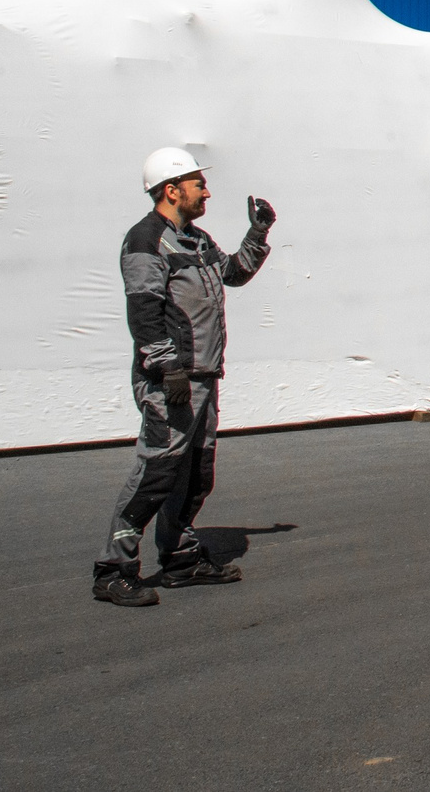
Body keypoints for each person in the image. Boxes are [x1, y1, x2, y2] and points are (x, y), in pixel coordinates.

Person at [90, 148, 277, 606]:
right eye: (199, 184)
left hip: (203, 378)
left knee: (194, 475)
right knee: (155, 473)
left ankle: (180, 559)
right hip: (171, 381)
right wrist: (167, 367)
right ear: (172, 189)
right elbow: (144, 312)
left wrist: (259, 231)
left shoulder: (195, 239)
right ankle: (113, 568)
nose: (206, 191)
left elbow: (233, 273)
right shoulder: (146, 240)